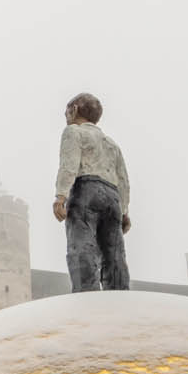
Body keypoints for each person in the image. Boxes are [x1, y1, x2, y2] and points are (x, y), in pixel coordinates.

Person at [52, 92, 130, 292]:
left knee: (82, 247)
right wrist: (124, 211)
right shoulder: (112, 143)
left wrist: (60, 196)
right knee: (114, 253)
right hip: (113, 196)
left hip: (85, 189)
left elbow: (69, 165)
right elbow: (123, 180)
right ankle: (119, 293)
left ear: (74, 110)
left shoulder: (73, 132)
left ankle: (86, 294)